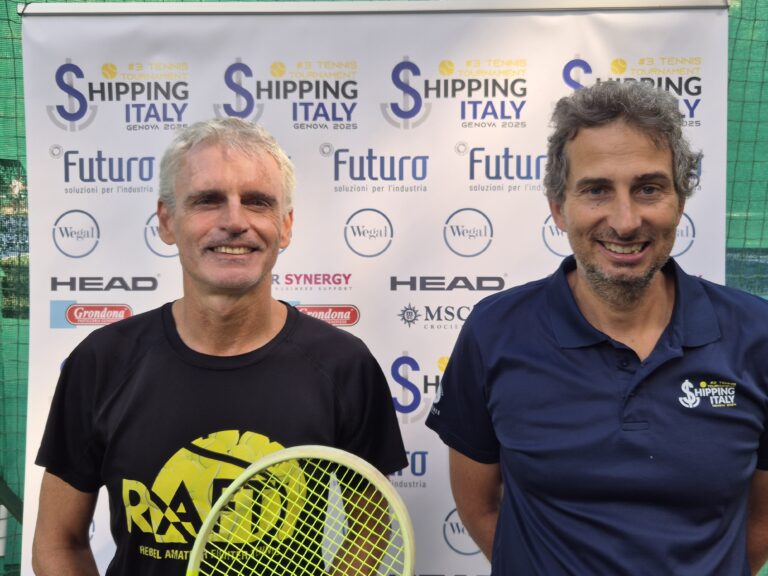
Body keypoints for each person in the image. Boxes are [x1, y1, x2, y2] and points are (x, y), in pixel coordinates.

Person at [32, 117, 407, 576]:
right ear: (167, 221)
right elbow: (58, 542)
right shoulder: (101, 361)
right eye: (207, 200)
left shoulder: (344, 365)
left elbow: (369, 526)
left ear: (285, 226)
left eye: (258, 202)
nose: (234, 222)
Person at [426, 81, 768, 575]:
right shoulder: (495, 331)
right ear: (558, 208)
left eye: (648, 188)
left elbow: (759, 523)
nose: (625, 221)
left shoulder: (756, 335)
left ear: (679, 201)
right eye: (596, 190)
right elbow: (479, 507)